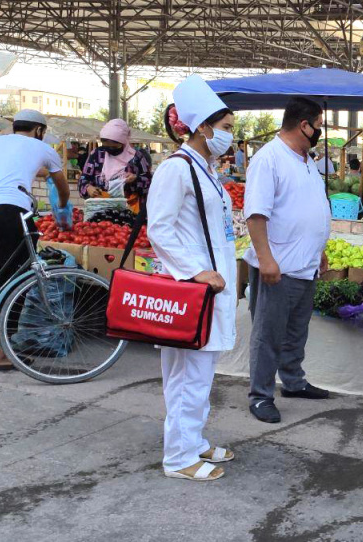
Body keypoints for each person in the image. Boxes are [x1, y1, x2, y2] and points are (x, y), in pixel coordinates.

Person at [149, 75, 238, 481]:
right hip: (193, 289)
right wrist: (197, 272)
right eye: (226, 128)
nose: (229, 136)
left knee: (199, 372)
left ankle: (194, 441)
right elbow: (160, 229)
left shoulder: (206, 170)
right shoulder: (176, 169)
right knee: (188, 375)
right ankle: (179, 458)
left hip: (210, 287)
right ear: (203, 126)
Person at [244, 98, 333, 424]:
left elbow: (307, 207)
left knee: (296, 331)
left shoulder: (306, 159)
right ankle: (260, 396)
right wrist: (266, 260)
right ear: (304, 125)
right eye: (319, 124)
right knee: (268, 334)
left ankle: (293, 382)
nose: (321, 130)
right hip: (277, 267)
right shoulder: (269, 159)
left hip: (305, 264)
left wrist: (318, 247)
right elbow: (255, 214)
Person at [0, 110, 69, 371]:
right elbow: (62, 186)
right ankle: (1, 353)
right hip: (11, 212)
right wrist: (63, 209)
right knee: (16, 280)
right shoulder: (42, 147)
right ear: (39, 130)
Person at [79, 119, 152, 208]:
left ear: (123, 142)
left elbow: (149, 183)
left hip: (129, 211)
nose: (109, 150)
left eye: (113, 147)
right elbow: (83, 179)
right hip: (99, 211)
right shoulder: (97, 155)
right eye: (106, 146)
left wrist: (136, 179)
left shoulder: (136, 158)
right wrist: (88, 188)